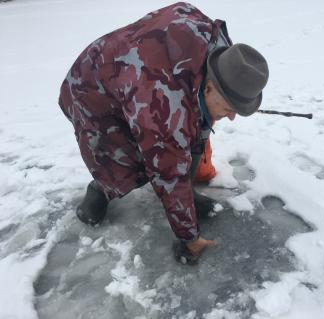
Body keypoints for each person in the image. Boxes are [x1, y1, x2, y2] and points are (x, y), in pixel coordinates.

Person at [58, 2, 269, 264]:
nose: (232, 116)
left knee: (188, 132)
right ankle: (97, 193)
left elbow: (192, 124)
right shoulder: (163, 101)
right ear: (210, 87)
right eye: (228, 107)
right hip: (92, 90)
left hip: (132, 77)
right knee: (120, 158)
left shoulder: (221, 53)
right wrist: (189, 239)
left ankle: (186, 197)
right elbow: (167, 170)